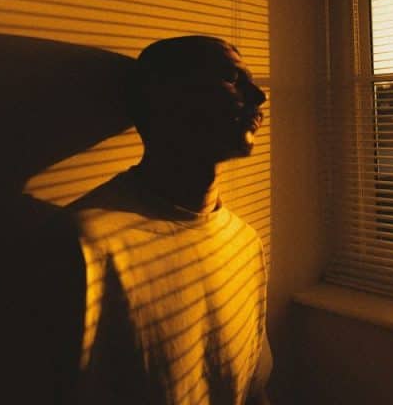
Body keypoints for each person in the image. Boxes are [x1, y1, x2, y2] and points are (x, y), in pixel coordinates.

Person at [64, 35, 272, 404]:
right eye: (231, 77)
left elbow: (253, 391)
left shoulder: (246, 246)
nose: (259, 96)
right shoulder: (81, 250)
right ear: (166, 97)